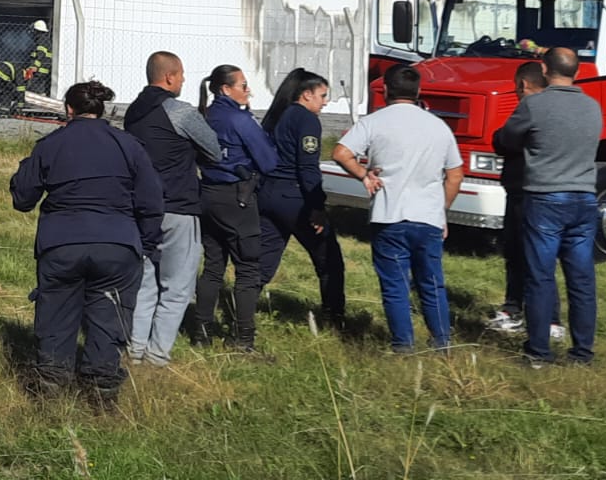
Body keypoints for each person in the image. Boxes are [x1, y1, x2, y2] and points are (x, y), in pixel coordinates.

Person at [10, 82, 164, 405]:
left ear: (68, 109)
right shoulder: (129, 146)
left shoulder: (51, 145)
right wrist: (143, 247)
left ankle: (51, 388)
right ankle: (102, 393)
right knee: (109, 318)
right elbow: (151, 203)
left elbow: (23, 198)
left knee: (56, 313)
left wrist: (26, 168)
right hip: (118, 243)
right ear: (103, 109)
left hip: (62, 243)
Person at [331, 64, 463, 353]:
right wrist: (442, 211)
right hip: (427, 216)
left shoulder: (374, 122)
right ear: (418, 92)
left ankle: (403, 344)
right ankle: (442, 343)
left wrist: (364, 175)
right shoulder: (438, 126)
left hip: (388, 214)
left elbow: (341, 152)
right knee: (432, 283)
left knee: (395, 284)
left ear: (386, 90)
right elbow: (455, 174)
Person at [490, 46, 601, 367]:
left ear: (542, 68)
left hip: (545, 198)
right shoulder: (592, 107)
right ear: (577, 72)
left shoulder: (534, 105)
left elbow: (506, 140)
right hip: (583, 197)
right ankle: (582, 352)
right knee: (581, 279)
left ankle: (539, 352)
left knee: (540, 276)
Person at [122, 50, 222, 366]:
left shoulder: (133, 113)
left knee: (146, 282)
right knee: (177, 287)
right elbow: (215, 150)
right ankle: (156, 355)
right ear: (169, 77)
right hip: (179, 205)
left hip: (141, 206)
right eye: (180, 75)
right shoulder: (180, 112)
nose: (182, 81)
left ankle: (134, 349)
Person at [194, 64, 280, 352]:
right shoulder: (239, 120)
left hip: (207, 194)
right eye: (244, 86)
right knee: (247, 269)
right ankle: (244, 341)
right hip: (237, 197)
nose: (248, 91)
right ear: (225, 89)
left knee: (213, 267)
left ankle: (201, 331)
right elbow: (268, 161)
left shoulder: (204, 116)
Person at [258, 68, 346, 329]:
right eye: (322, 95)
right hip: (294, 197)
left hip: (268, 194)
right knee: (329, 259)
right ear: (306, 95)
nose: (325, 101)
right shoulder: (306, 120)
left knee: (263, 261)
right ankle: (334, 320)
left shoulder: (277, 116)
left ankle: (239, 309)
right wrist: (317, 206)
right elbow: (308, 167)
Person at [486, 61, 555, 336]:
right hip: (551, 190)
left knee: (519, 255)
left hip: (523, 189)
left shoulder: (529, 107)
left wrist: (498, 136)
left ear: (523, 85)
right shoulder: (560, 107)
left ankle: (516, 310)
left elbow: (505, 140)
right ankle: (551, 320)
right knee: (543, 258)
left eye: (517, 88)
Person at [24, 20, 53, 94]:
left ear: (36, 31)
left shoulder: (41, 40)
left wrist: (34, 66)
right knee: (39, 88)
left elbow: (40, 55)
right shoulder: (44, 40)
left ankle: (32, 103)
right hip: (42, 69)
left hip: (39, 70)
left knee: (33, 89)